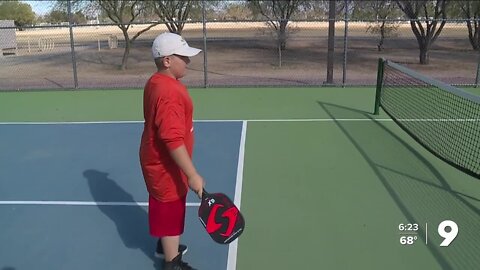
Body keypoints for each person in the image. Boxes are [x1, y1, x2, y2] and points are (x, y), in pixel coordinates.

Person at [139, 32, 204, 270]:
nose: (188, 61)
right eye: (183, 57)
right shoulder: (169, 93)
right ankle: (172, 262)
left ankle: (167, 244)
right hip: (165, 164)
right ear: (167, 60)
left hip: (157, 159)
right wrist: (192, 174)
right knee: (169, 208)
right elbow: (172, 139)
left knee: (167, 207)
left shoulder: (157, 81)